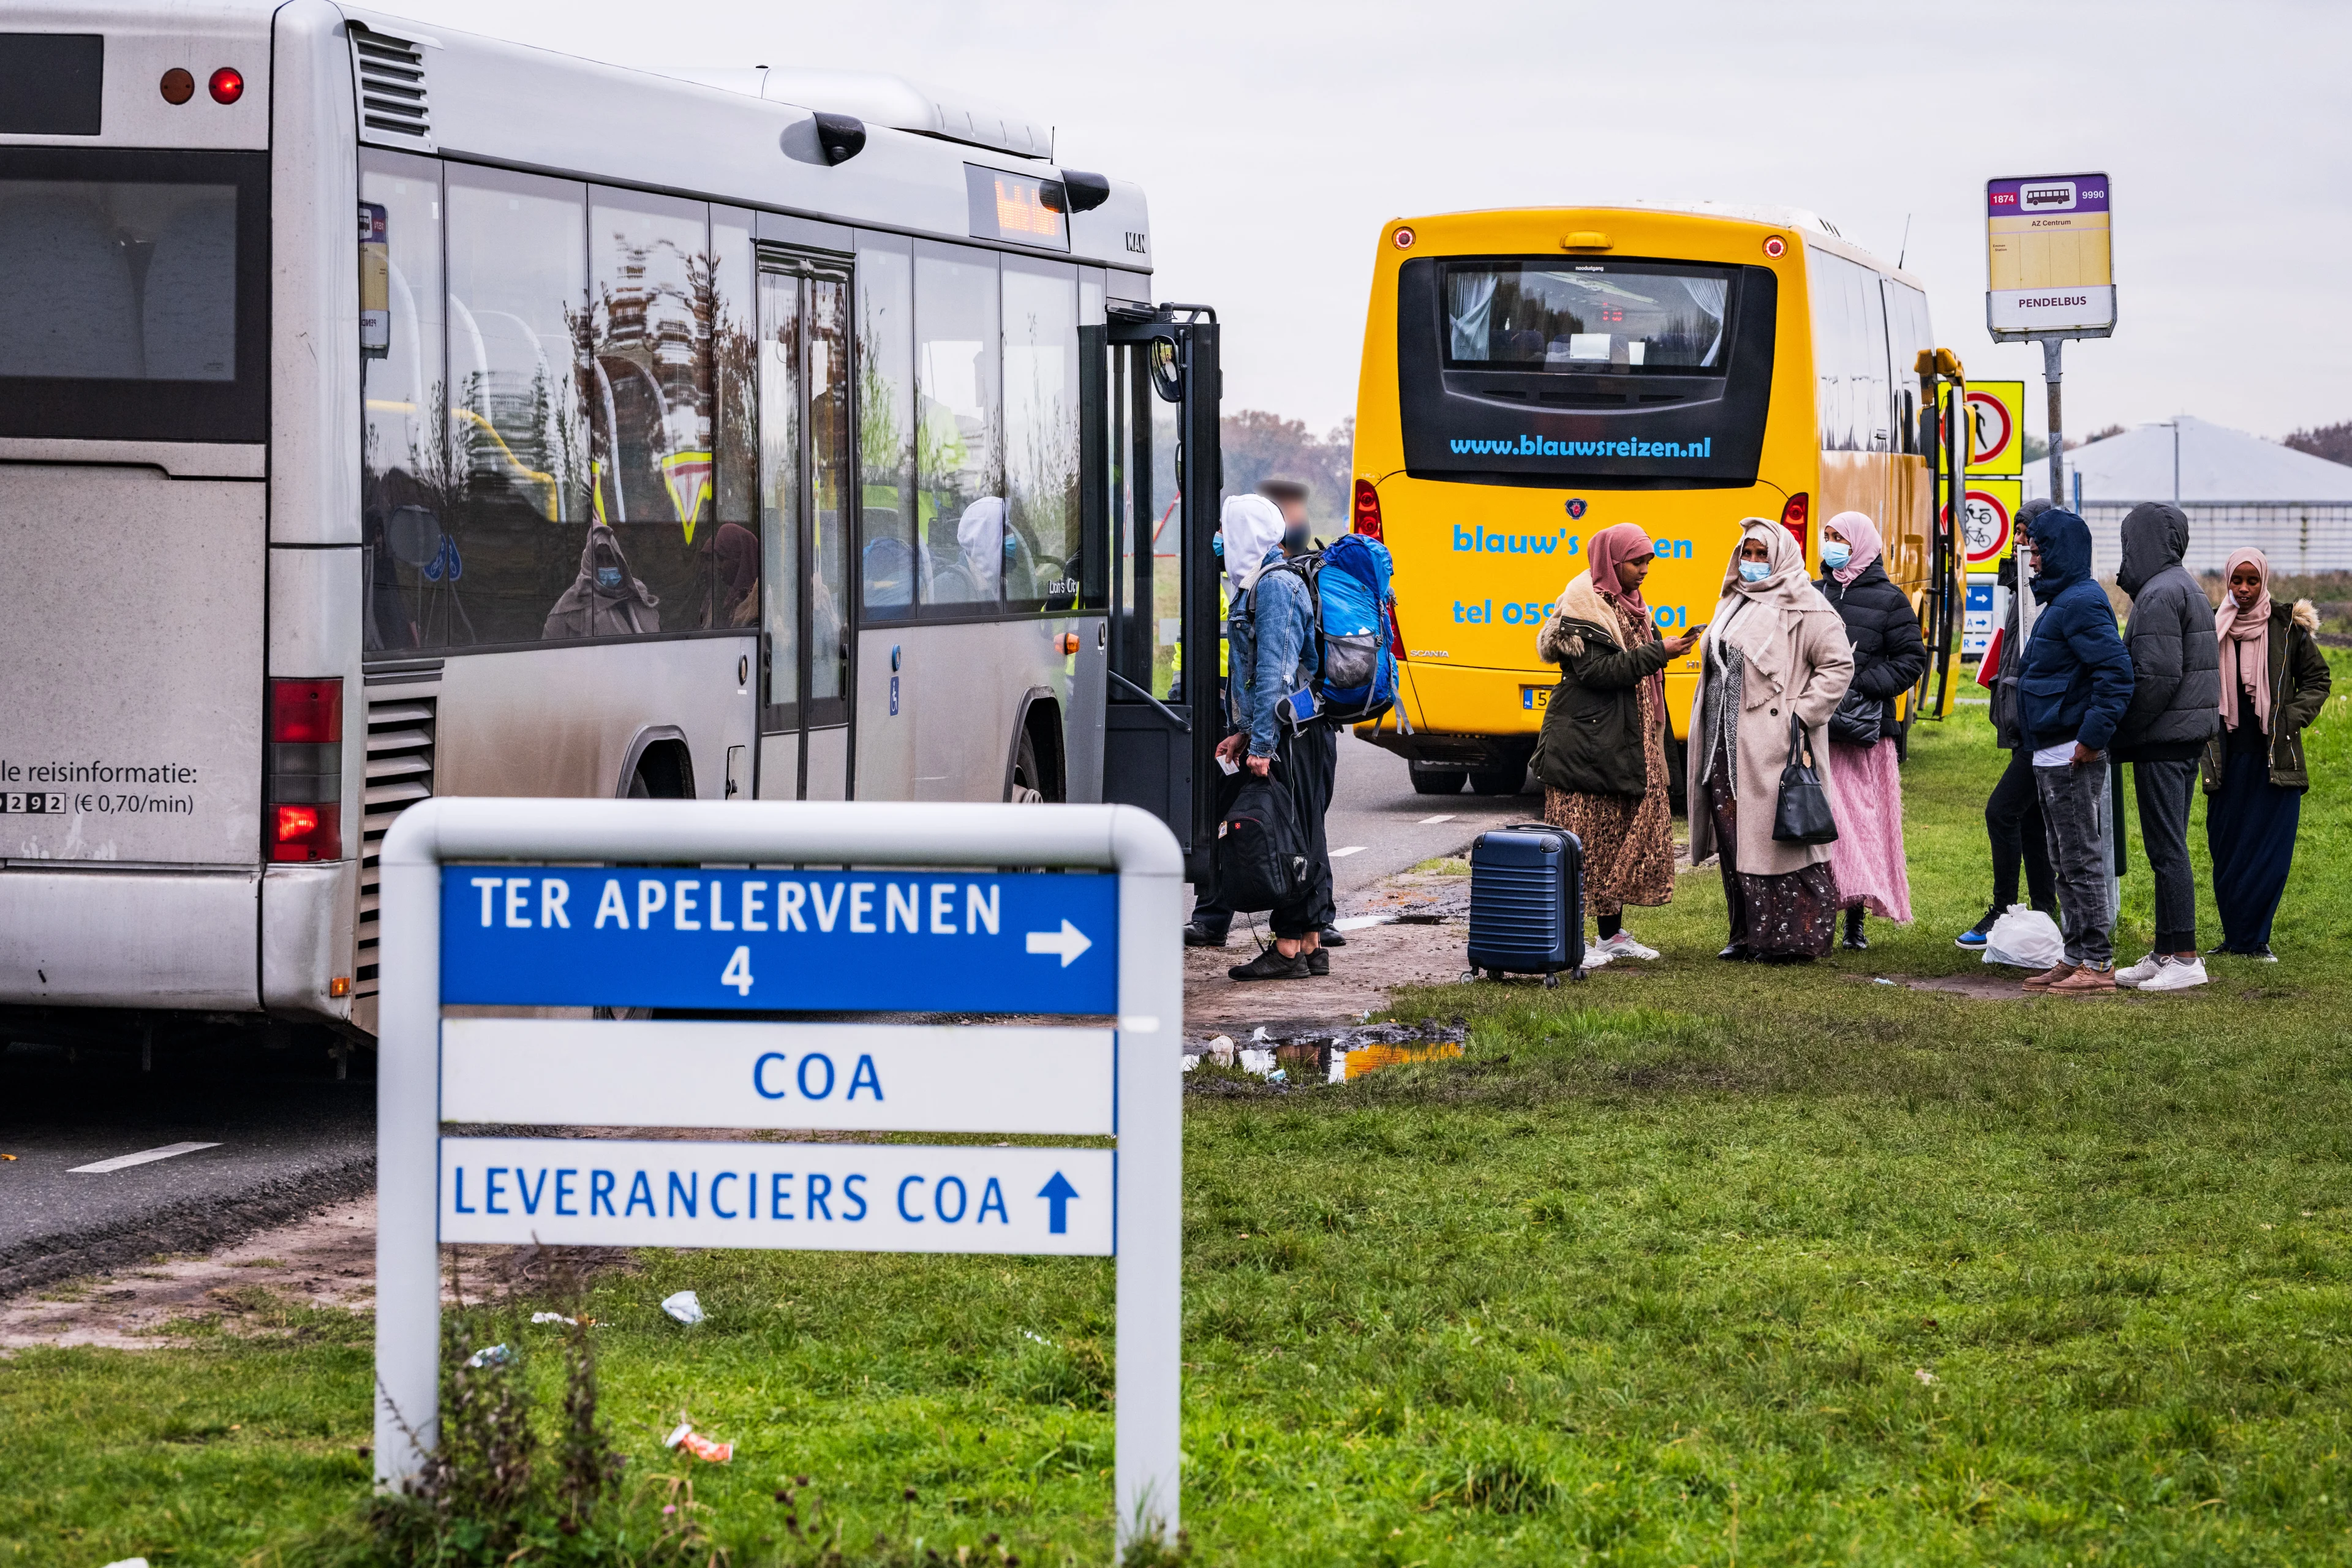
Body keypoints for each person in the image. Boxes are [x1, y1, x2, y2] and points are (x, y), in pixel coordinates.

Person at [1687, 521, 1855, 962]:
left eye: (1763, 554)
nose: (1754, 562)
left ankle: (1795, 939)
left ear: (1782, 555)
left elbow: (1838, 666)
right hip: (1724, 744)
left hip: (1774, 743)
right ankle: (1746, 935)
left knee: (1782, 842)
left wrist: (1801, 716)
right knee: (1735, 838)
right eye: (1749, 553)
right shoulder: (1735, 599)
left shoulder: (1806, 605)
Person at [1532, 522, 1699, 962]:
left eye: (1648, 562)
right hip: (1584, 743)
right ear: (1611, 561)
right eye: (1636, 562)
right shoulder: (1583, 607)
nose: (1645, 570)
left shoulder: (1632, 606)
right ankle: (1567, 939)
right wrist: (1661, 652)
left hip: (1623, 738)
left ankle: (1610, 935)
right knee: (1580, 839)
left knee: (1615, 836)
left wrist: (1663, 646)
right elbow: (1598, 673)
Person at [1215, 493, 1338, 980]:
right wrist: (1246, 735)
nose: (1221, 542)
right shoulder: (1260, 585)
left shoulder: (1275, 587)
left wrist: (1262, 745)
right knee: (1304, 831)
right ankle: (1310, 943)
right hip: (1293, 727)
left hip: (1296, 732)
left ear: (1246, 534)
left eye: (1228, 531)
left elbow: (1274, 674)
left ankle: (1286, 949)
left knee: (1290, 835)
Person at [2014, 508, 2135, 994]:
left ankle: (2099, 963)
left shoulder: (2082, 602)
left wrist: (2091, 739)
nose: (2034, 561)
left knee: (2081, 859)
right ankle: (2075, 954)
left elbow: (2116, 675)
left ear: (2060, 552)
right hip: (2050, 753)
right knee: (2063, 859)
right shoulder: (2064, 601)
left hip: (2071, 754)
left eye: (2039, 551)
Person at [2108, 502, 2222, 991]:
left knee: (2168, 849)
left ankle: (2186, 958)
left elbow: (2154, 676)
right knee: (2165, 844)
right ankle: (2164, 950)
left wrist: (2121, 729)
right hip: (2183, 735)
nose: (2126, 551)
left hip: (2164, 738)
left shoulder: (2158, 594)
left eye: (2130, 540)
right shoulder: (2184, 585)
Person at [2204, 547, 2331, 960]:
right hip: (2224, 759)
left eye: (2252, 581)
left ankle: (2256, 939)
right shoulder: (2210, 625)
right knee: (2226, 850)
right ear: (2227, 581)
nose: (2243, 589)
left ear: (2264, 581)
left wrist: (2291, 718)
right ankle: (2234, 937)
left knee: (2268, 853)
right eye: (2236, 581)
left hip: (2274, 760)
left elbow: (2317, 679)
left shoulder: (2286, 624)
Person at [1815, 511, 1928, 949]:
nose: (1830, 544)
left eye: (1838, 537)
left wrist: (1861, 685)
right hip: (1819, 728)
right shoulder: (1813, 592)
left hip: (1864, 732)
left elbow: (1911, 659)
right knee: (1819, 821)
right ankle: (1820, 909)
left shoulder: (1890, 600)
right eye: (1827, 536)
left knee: (1859, 823)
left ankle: (1855, 921)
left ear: (1860, 543)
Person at [1958, 499, 2059, 948]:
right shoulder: (2024, 588)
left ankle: (2003, 909)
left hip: (2041, 727)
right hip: (2026, 722)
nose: (2020, 542)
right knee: (2030, 818)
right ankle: (2044, 912)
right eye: (2017, 533)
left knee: (2002, 811)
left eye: (2028, 535)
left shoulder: (2052, 593)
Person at [543, 524, 660, 638]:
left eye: (610, 559)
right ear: (590, 563)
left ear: (619, 561)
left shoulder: (637, 597)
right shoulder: (569, 606)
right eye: (599, 560)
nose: (606, 566)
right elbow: (548, 652)